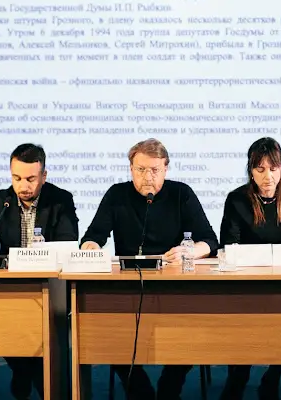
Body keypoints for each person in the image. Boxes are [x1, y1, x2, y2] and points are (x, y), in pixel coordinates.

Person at [81, 138, 218, 400]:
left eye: (154, 170)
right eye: (141, 169)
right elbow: (93, 235)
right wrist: (90, 248)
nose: (147, 177)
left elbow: (210, 241)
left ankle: (170, 385)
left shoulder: (181, 194)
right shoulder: (117, 195)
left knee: (192, 328)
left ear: (166, 169)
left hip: (175, 288)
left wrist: (191, 251)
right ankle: (138, 388)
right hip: (127, 288)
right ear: (130, 169)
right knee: (105, 331)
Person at [0, 143, 78, 400]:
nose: (23, 186)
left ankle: (30, 378)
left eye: (30, 179)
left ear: (44, 176)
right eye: (17, 178)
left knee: (42, 340)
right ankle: (29, 375)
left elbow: (68, 243)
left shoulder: (61, 200)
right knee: (2, 327)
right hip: (9, 289)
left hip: (49, 289)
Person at [219, 137, 281, 400]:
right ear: (251, 170)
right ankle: (238, 376)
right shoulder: (237, 199)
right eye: (260, 169)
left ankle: (272, 377)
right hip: (247, 283)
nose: (267, 176)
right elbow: (228, 245)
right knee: (245, 324)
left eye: (273, 168)